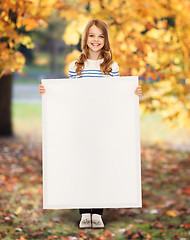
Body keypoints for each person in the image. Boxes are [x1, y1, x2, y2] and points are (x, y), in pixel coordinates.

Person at [39, 19, 142, 229]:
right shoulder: (75, 66)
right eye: (92, 35)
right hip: (81, 125)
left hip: (103, 125)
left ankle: (99, 212)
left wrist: (132, 93)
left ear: (106, 40)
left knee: (100, 165)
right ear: (85, 38)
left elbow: (114, 96)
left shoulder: (111, 67)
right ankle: (85, 212)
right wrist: (49, 94)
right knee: (82, 165)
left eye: (101, 36)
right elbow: (71, 97)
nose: (96, 40)